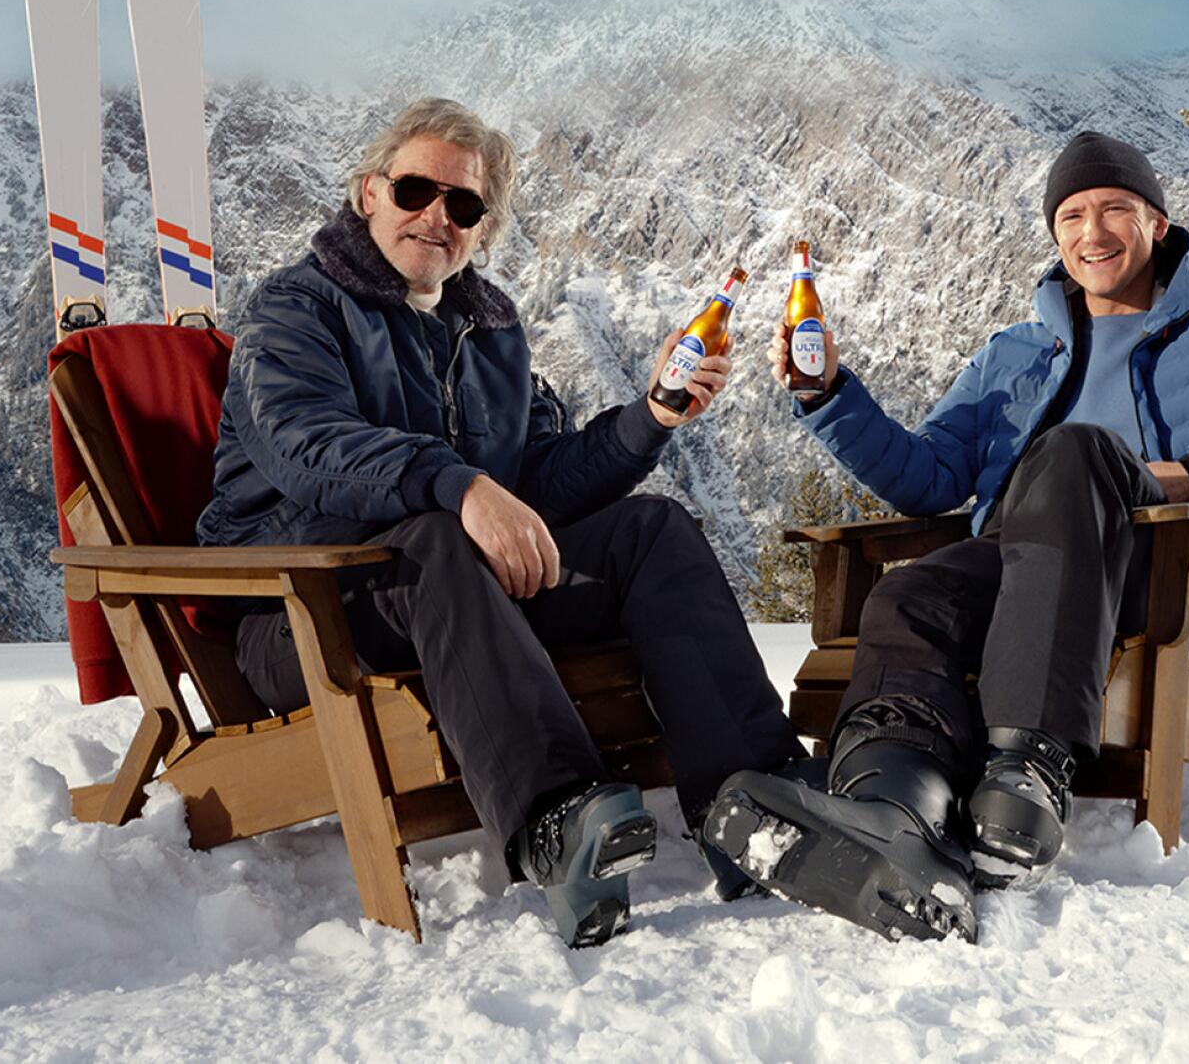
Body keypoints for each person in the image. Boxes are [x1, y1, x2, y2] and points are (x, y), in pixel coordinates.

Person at [700, 131, 1189, 942]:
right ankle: (891, 810)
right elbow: (928, 477)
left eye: (1115, 209)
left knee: (1073, 451)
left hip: (1168, 571)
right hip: (1025, 564)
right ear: (1055, 234)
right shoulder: (1018, 352)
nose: (1093, 232)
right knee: (913, 594)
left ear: (1158, 222)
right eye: (1072, 215)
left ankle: (1026, 773)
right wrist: (828, 396)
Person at [197, 97, 802, 948]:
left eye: (465, 204)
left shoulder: (488, 330)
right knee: (437, 535)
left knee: (651, 530)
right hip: (306, 609)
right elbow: (306, 444)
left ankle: (757, 800)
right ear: (369, 192)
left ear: (483, 228)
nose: (436, 216)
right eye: (415, 190)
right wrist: (461, 486)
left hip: (464, 599)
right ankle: (559, 817)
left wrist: (651, 417)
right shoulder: (296, 309)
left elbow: (542, 479)